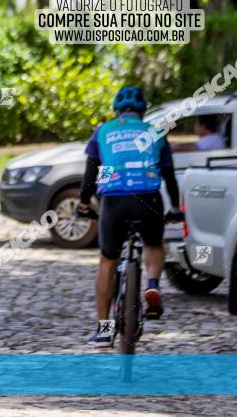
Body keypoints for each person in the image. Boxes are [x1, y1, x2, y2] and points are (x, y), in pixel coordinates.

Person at [77, 86, 181, 347]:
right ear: (143, 112)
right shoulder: (156, 132)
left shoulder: (103, 131)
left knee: (107, 262)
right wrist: (176, 209)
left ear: (116, 110)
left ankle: (103, 330)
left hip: (113, 200)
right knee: (154, 244)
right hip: (148, 198)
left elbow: (90, 176)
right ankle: (154, 284)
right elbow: (169, 176)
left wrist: (83, 204)